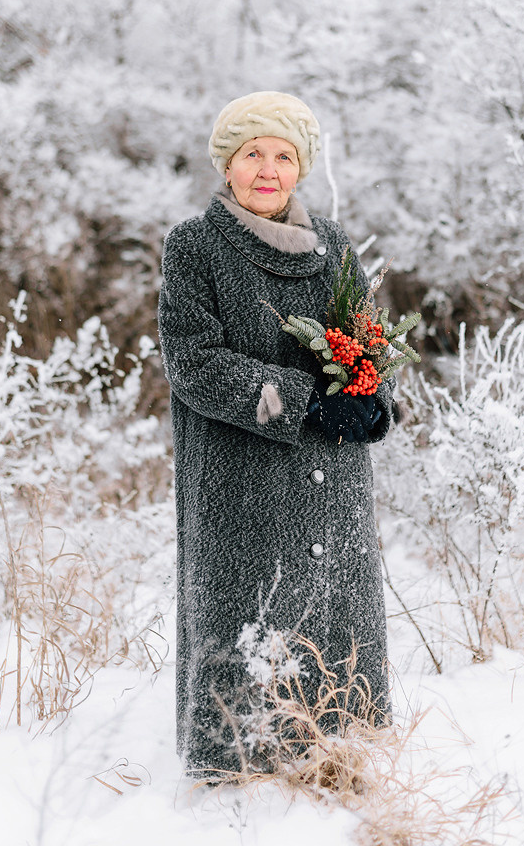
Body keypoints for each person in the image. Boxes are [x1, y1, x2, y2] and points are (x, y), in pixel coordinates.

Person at [157, 91, 395, 777]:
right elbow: (194, 363)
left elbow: (367, 342)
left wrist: (372, 399)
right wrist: (305, 401)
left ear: (302, 166)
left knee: (336, 623)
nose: (269, 170)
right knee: (248, 625)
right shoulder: (194, 247)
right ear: (227, 164)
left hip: (333, 483)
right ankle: (239, 774)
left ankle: (341, 759)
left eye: (284, 155)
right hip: (240, 483)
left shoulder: (333, 245)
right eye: (252, 154)